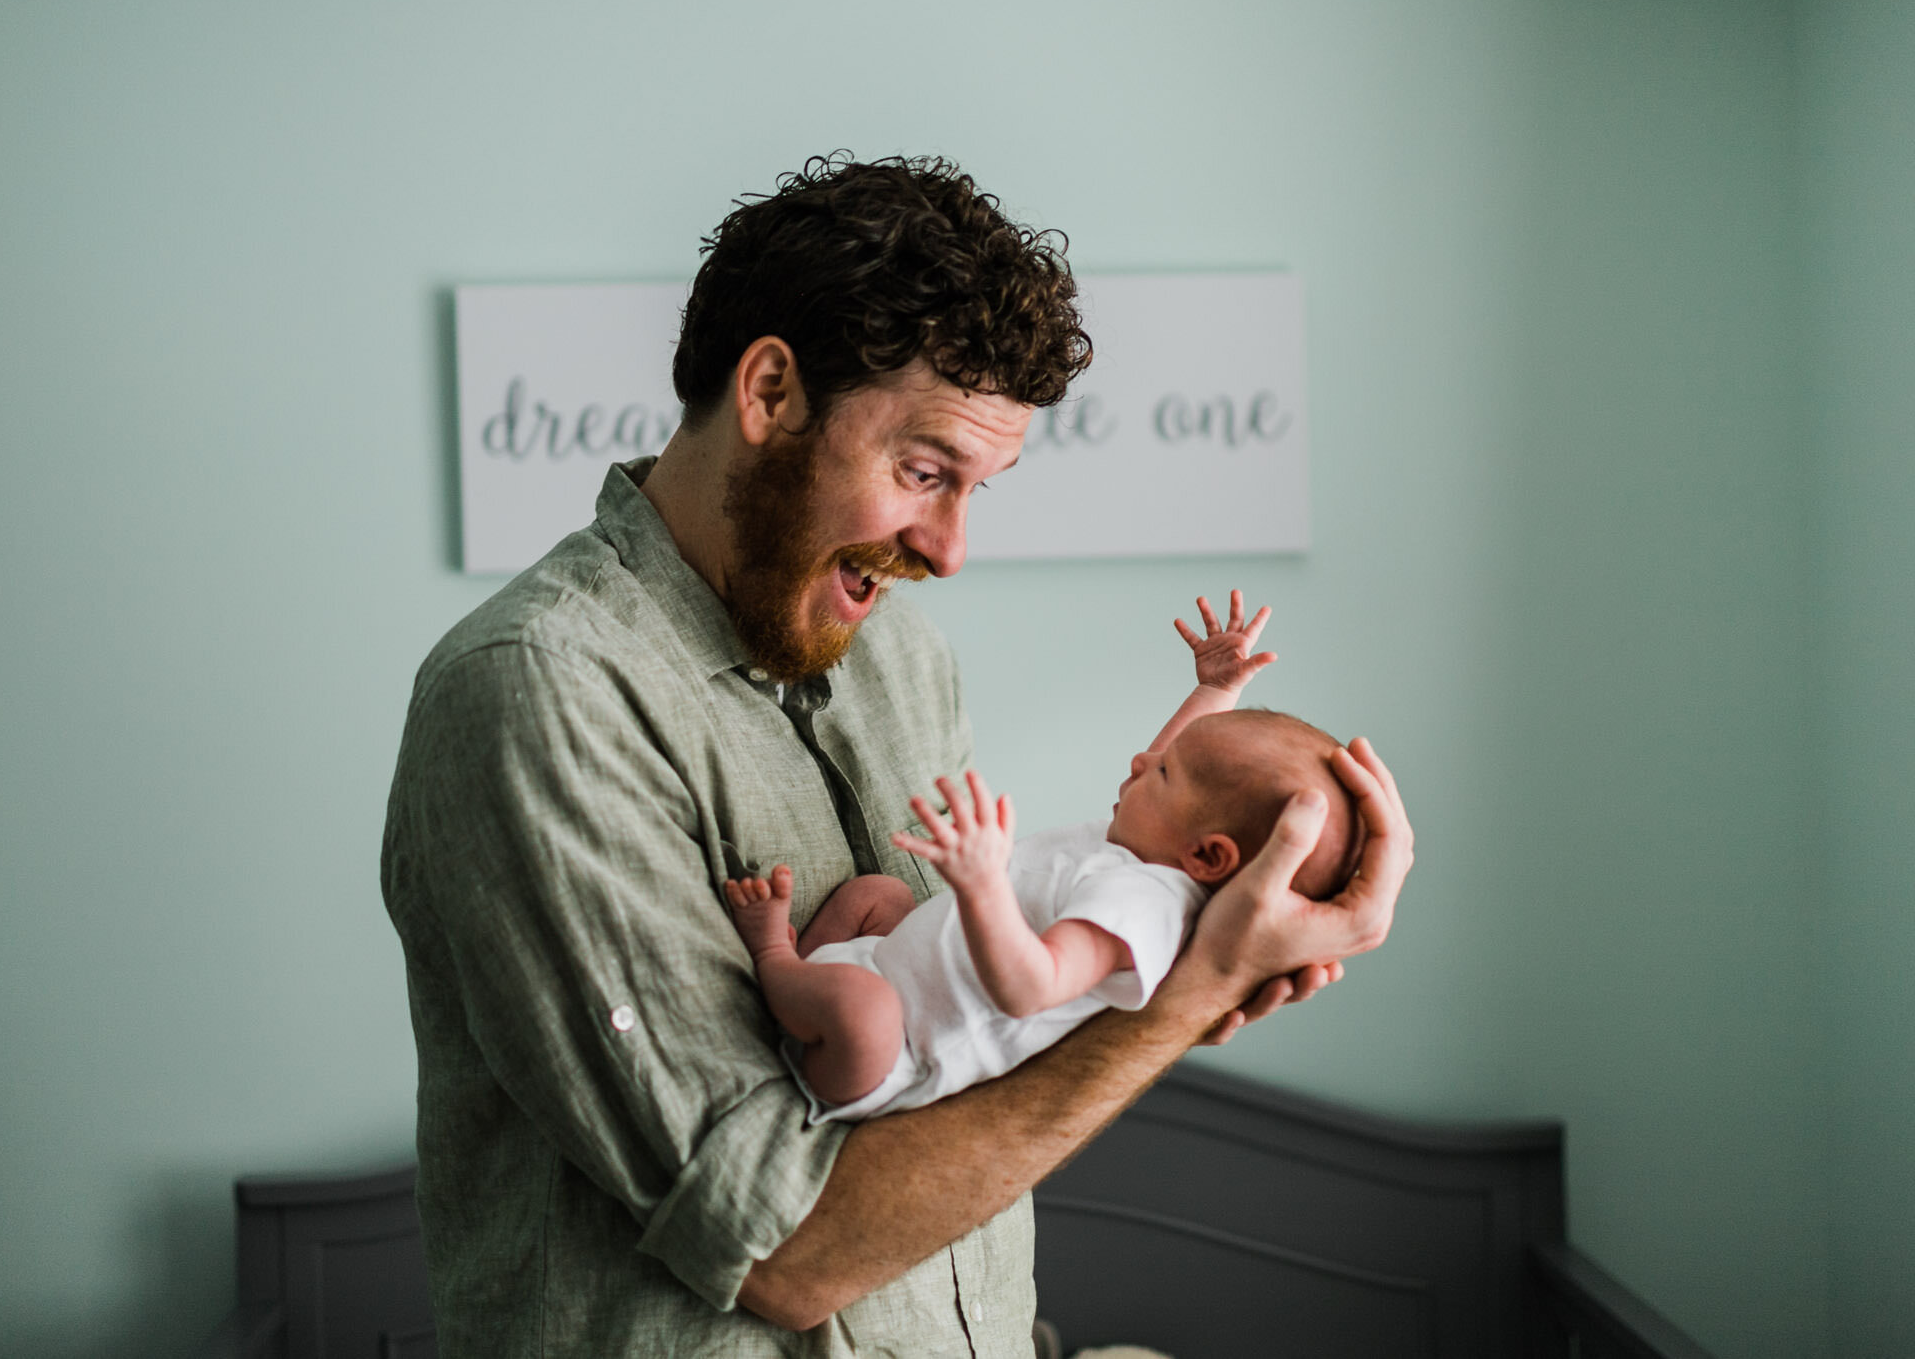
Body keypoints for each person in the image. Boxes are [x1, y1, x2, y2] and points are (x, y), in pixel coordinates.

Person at [381, 155, 1411, 1357]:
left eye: (978, 487)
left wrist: (1203, 956)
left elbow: (964, 1057)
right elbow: (780, 1250)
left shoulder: (900, 661)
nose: (952, 546)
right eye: (923, 471)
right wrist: (1179, 1003)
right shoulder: (540, 693)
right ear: (768, 391)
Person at [725, 593, 1363, 1123]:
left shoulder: (1145, 910)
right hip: (888, 968)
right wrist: (1214, 691)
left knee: (863, 1013)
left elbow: (1030, 988)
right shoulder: (1147, 855)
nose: (1142, 761)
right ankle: (809, 984)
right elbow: (1186, 763)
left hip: (894, 1053)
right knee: (879, 896)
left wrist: (981, 886)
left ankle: (775, 962)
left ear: (1206, 855)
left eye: (1162, 774)